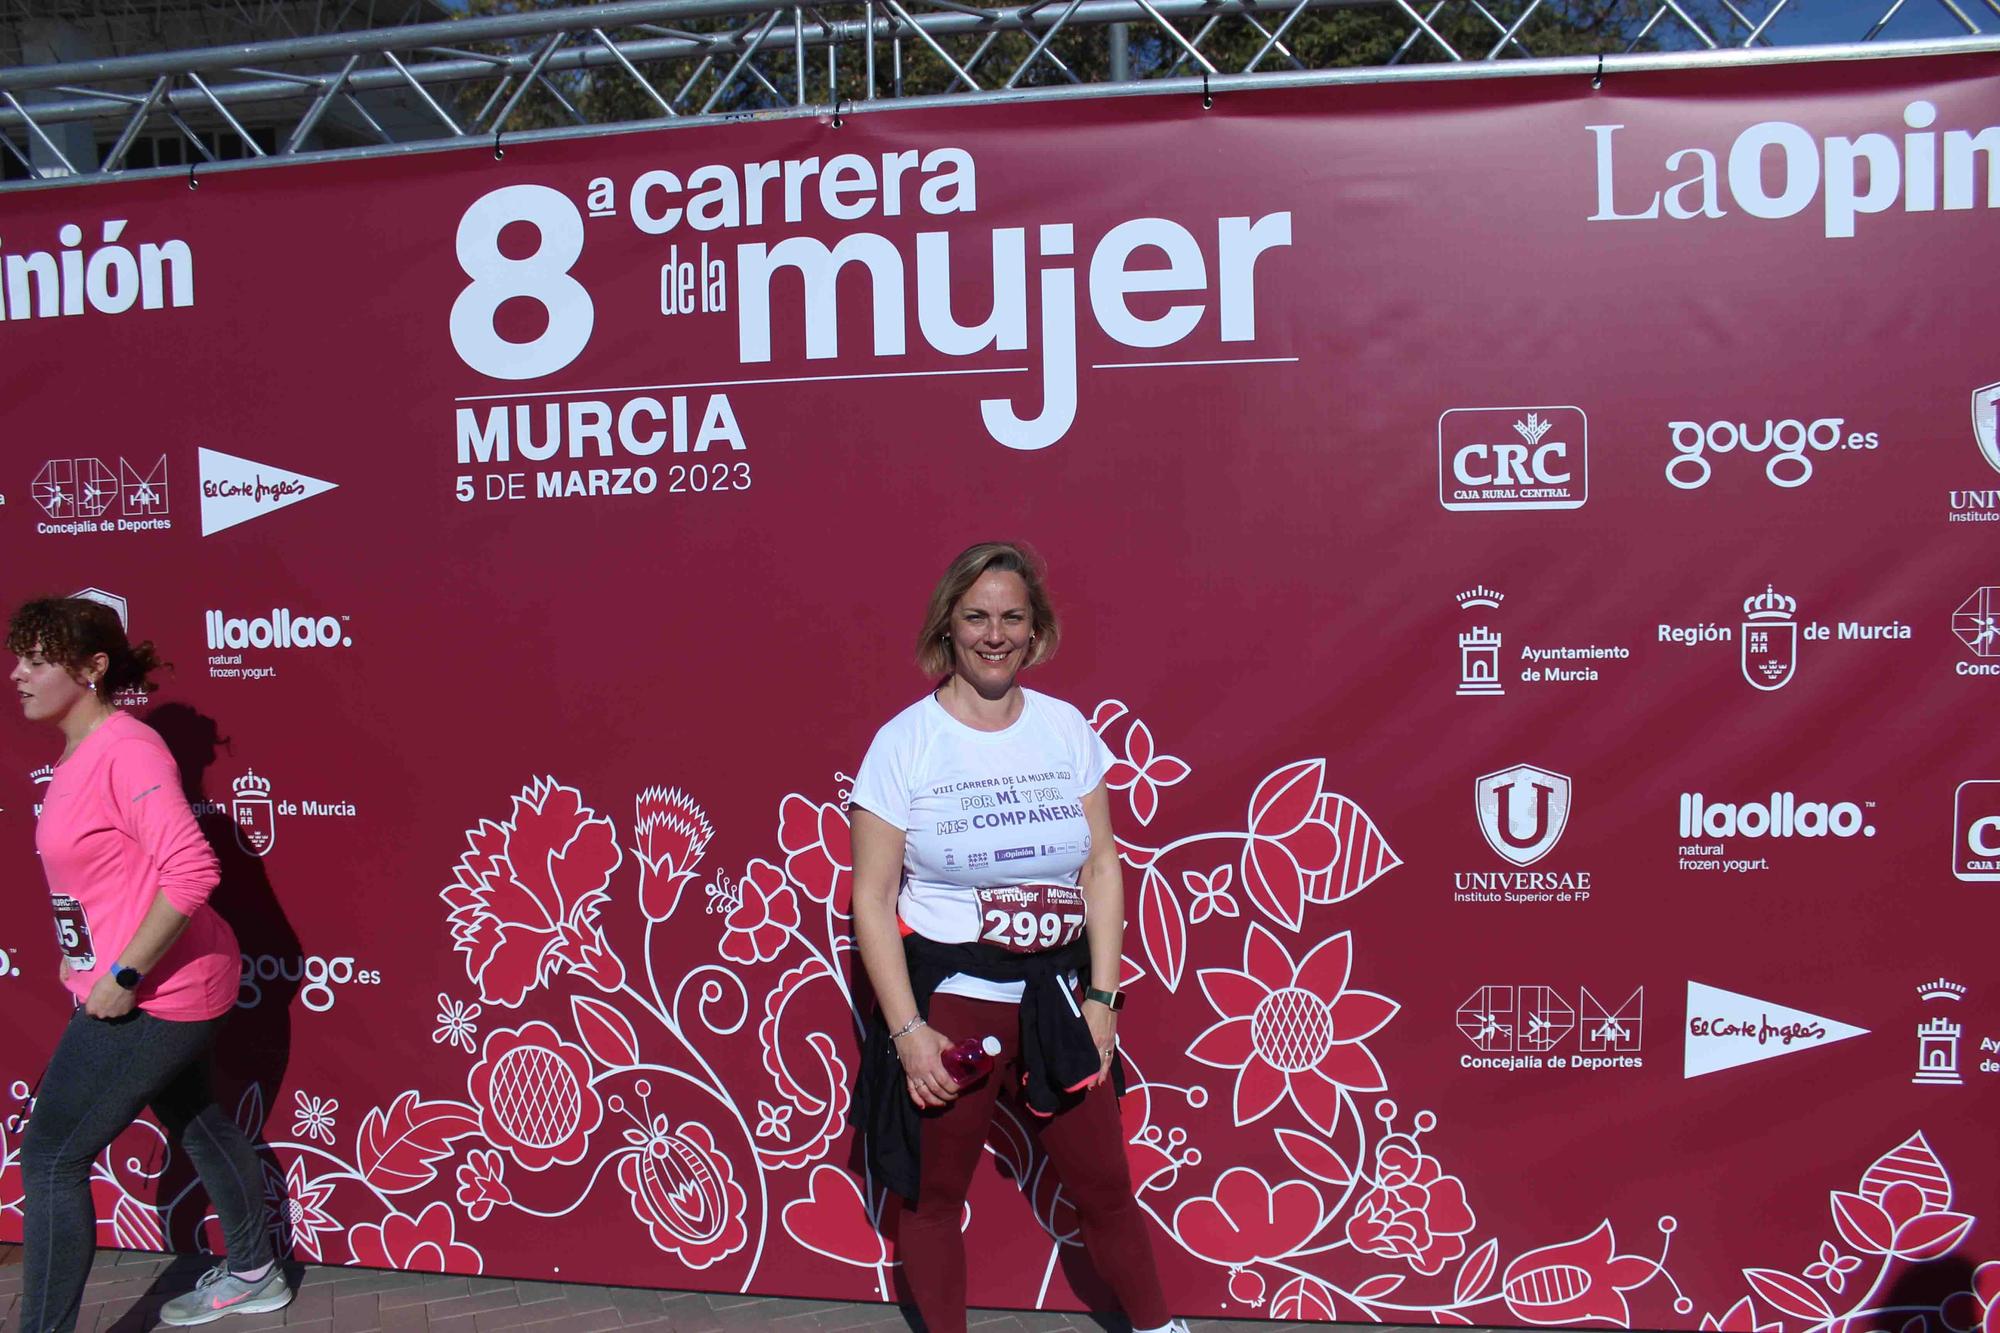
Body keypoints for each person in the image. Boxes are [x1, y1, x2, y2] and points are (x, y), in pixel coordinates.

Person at [848, 543, 1188, 1333]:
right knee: (933, 1199)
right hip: (956, 1010)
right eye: (976, 616)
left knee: (1105, 1186)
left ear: (1035, 633)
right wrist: (908, 1033)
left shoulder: (1067, 729)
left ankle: (1160, 1327)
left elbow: (1103, 867)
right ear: (948, 627)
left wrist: (1102, 999)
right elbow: (871, 899)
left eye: (1012, 617)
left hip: (1057, 1005)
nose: (994, 634)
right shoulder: (904, 743)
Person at [8, 597, 290, 1330]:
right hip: (146, 984)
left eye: (38, 660)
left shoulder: (127, 748)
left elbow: (191, 871)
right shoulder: (80, 752)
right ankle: (257, 1270)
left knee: (49, 1159)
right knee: (194, 1116)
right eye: (19, 658)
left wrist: (123, 976)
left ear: (92, 668)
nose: (19, 674)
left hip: (156, 992)